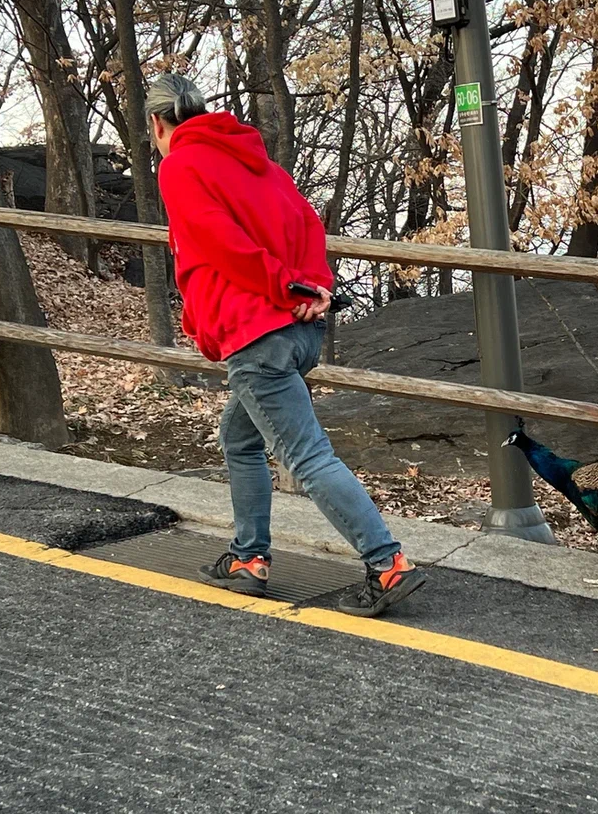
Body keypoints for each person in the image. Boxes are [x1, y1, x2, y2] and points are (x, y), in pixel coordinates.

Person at [145, 73, 426, 617]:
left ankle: (387, 563)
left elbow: (217, 242)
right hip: (296, 328)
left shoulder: (179, 164)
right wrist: (313, 287)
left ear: (159, 123)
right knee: (239, 437)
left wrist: (285, 287)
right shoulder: (260, 163)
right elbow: (306, 224)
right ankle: (249, 558)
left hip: (256, 333)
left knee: (307, 456)